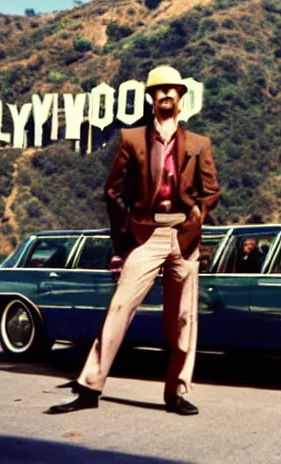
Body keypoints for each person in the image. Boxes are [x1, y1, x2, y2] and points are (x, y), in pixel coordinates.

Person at [46, 65, 221, 416]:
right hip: (147, 234)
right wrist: (124, 239)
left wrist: (198, 217)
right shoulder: (131, 139)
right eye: (160, 90)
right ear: (151, 97)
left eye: (173, 90)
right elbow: (112, 191)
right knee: (120, 307)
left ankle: (176, 392)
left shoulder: (199, 144)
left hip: (184, 237)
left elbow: (211, 190)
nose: (167, 95)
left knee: (183, 319)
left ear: (181, 97)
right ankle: (89, 387)